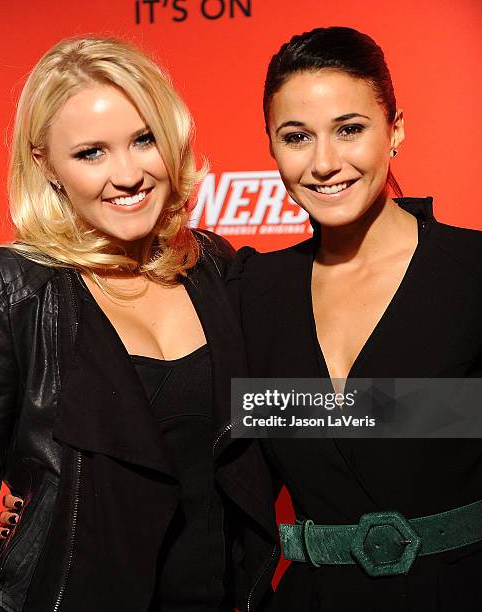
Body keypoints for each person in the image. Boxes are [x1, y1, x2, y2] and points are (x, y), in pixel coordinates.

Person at [0, 36, 278, 612]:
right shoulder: (7, 289)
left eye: (144, 140)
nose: (127, 174)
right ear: (46, 165)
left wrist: (447, 412)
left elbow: (292, 405)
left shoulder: (210, 266)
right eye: (91, 153)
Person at [225, 26, 482, 611]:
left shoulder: (471, 272)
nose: (324, 163)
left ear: (395, 130)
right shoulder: (250, 291)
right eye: (296, 137)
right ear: (271, 145)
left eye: (349, 129)